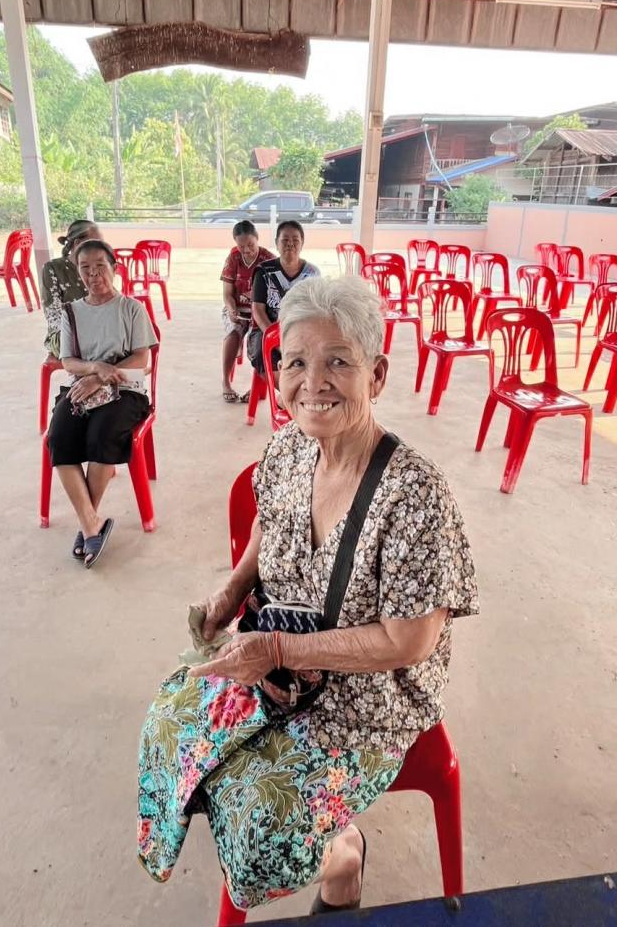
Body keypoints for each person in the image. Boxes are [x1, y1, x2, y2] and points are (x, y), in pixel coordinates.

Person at [138, 275, 478, 912]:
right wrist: (233, 589)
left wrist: (278, 651)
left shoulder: (415, 495)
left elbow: (409, 641)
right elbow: (270, 522)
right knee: (167, 725)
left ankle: (343, 856)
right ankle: (289, 823)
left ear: (377, 375)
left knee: (258, 833)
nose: (312, 382)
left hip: (366, 701)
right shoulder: (290, 448)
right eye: (295, 362)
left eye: (338, 362)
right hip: (273, 664)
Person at [47, 240, 157, 568]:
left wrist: (101, 378)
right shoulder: (72, 312)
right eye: (85, 268)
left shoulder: (131, 308)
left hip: (126, 390)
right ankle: (91, 523)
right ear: (78, 272)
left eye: (100, 266)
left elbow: (141, 359)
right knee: (59, 438)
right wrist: (95, 368)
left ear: (114, 268)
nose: (93, 274)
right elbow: (68, 361)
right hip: (81, 387)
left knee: (101, 436)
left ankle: (88, 523)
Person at [248, 219, 320, 378]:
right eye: (285, 240)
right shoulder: (264, 271)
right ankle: (288, 391)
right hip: (267, 328)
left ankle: (302, 388)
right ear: (276, 243)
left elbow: (316, 308)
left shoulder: (313, 273)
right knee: (263, 354)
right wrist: (276, 338)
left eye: (295, 240)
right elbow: (258, 310)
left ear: (302, 243)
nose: (290, 244)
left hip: (300, 329)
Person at [219, 220, 274, 402]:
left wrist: (260, 315)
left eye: (250, 244)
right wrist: (231, 309)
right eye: (241, 246)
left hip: (261, 310)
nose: (247, 250)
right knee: (233, 333)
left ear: (257, 238)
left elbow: (273, 298)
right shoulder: (233, 257)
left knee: (259, 340)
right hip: (237, 308)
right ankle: (226, 381)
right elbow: (227, 294)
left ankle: (258, 386)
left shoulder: (268, 260)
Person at [40, 219, 101, 359]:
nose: (100, 248)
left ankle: (96, 370)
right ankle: (94, 370)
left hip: (96, 329)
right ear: (78, 243)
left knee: (124, 337)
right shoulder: (52, 268)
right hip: (65, 334)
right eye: (95, 243)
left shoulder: (98, 267)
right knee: (103, 345)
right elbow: (54, 315)